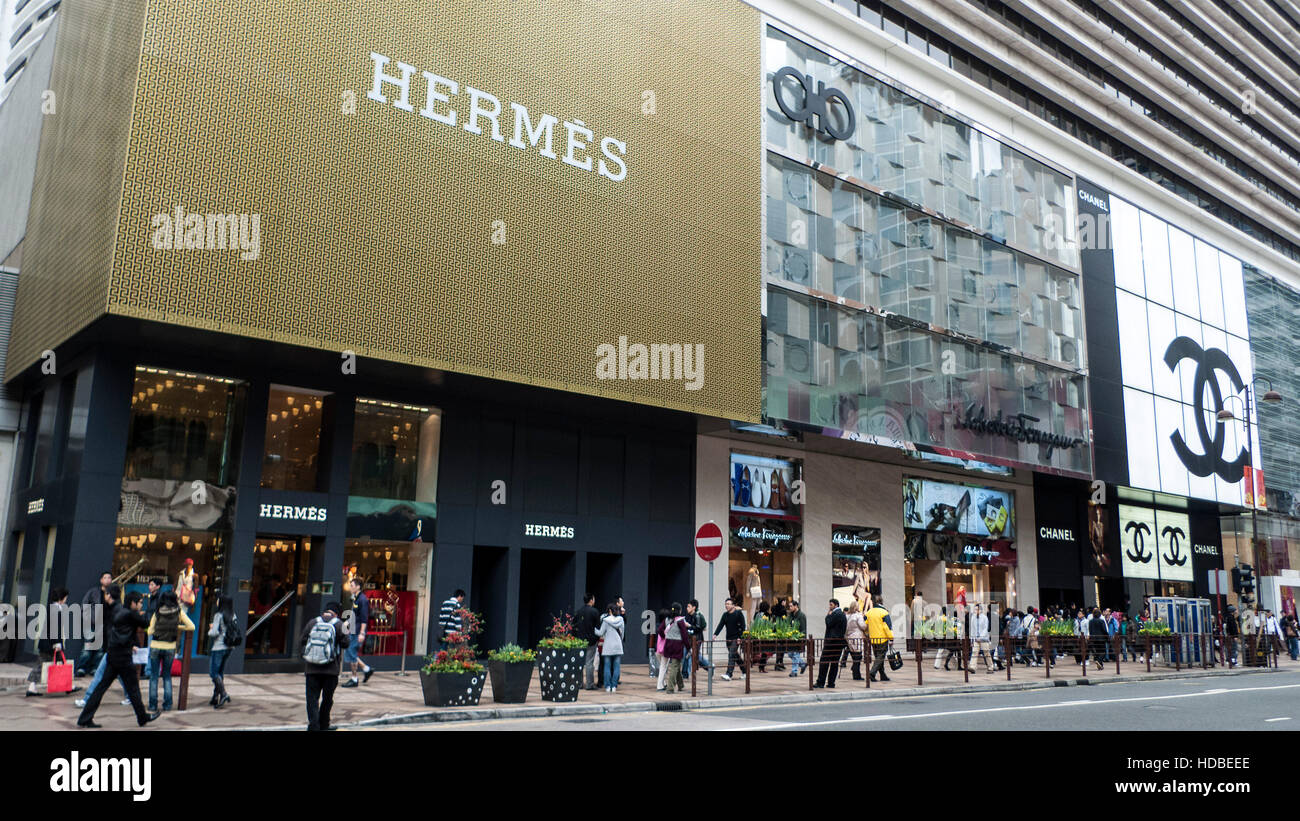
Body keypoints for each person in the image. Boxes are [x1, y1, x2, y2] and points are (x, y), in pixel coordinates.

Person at [76, 589, 159, 728]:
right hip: (124, 657)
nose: (140, 606)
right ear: (133, 603)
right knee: (133, 689)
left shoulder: (118, 611)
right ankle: (142, 717)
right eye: (139, 603)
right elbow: (146, 623)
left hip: (113, 654)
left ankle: (84, 718)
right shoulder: (131, 614)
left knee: (101, 687)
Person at [301, 601, 349, 731]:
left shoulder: (312, 622)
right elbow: (346, 643)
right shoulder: (339, 624)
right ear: (337, 613)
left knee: (312, 699)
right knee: (327, 700)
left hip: (311, 669)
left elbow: (303, 641)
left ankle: (314, 726)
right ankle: (324, 725)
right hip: (331, 670)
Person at [146, 590, 194, 712]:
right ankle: (167, 705)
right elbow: (191, 626)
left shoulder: (157, 612)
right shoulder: (179, 612)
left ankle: (152, 705)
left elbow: (150, 631)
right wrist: (178, 627)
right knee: (167, 676)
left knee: (154, 676)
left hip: (155, 646)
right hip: (170, 647)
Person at [26, 588, 76, 697]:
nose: (66, 599)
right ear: (61, 598)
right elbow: (54, 629)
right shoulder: (55, 609)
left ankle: (68, 686)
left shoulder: (53, 608)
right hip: (50, 644)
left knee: (55, 663)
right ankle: (68, 686)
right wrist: (57, 643)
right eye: (66, 597)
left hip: (47, 643)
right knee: (52, 663)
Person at [75, 571, 113, 676]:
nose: (107, 579)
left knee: (100, 649)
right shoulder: (93, 591)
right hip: (91, 623)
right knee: (87, 646)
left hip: (104, 624)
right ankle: (81, 668)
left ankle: (95, 668)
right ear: (101, 580)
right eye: (105, 577)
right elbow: (84, 605)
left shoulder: (112, 594)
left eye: (109, 578)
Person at [341, 577, 374, 688]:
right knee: (351, 653)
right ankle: (366, 669)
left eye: (352, 585)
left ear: (358, 587)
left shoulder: (363, 600)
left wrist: (362, 633)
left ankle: (355, 679)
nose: (350, 587)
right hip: (353, 629)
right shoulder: (355, 598)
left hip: (357, 631)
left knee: (351, 653)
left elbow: (364, 618)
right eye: (350, 585)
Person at [208, 596, 236, 708]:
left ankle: (223, 694)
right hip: (229, 647)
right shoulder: (233, 615)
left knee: (213, 673)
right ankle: (215, 697)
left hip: (218, 647)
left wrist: (210, 628)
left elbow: (214, 633)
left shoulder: (218, 615)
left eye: (218, 600)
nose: (217, 601)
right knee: (220, 673)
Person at [658, 603, 690, 693]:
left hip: (668, 644)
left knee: (677, 665)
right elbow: (684, 635)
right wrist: (688, 647)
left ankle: (681, 685)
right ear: (679, 610)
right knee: (675, 666)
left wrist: (665, 636)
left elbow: (660, 630)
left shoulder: (667, 619)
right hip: (677, 645)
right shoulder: (680, 621)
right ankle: (670, 688)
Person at [815, 599, 847, 689]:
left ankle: (820, 682)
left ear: (836, 605)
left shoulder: (836, 614)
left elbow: (828, 623)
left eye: (831, 605)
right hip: (838, 643)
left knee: (824, 662)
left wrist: (828, 615)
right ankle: (831, 683)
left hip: (832, 642)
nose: (829, 606)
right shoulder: (842, 614)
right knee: (834, 663)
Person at [714, 597, 746, 680]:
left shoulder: (738, 614)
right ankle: (745, 671)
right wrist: (715, 634)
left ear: (733, 605)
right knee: (735, 656)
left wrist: (740, 637)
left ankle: (729, 674)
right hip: (728, 638)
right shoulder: (725, 615)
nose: (726, 606)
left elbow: (743, 626)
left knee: (731, 654)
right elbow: (720, 625)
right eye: (726, 604)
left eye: (728, 604)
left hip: (736, 638)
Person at [595, 603, 625, 692]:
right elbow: (622, 634)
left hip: (608, 646)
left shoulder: (605, 620)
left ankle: (607, 686)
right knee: (616, 667)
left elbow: (600, 633)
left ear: (610, 611)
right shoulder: (621, 620)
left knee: (607, 666)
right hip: (618, 646)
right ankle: (614, 686)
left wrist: (593, 629)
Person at [575, 593, 601, 690]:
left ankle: (579, 684)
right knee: (589, 663)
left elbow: (574, 627)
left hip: (580, 641)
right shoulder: (594, 611)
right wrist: (596, 639)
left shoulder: (579, 611)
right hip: (591, 641)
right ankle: (590, 684)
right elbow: (598, 627)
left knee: (579, 663)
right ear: (591, 600)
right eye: (593, 599)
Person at [865, 598, 893, 682]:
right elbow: (887, 627)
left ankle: (883, 675)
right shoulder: (884, 612)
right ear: (882, 602)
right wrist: (891, 638)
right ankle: (872, 673)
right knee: (880, 657)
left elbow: (865, 625)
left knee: (878, 657)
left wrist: (867, 635)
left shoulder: (869, 612)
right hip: (882, 638)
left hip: (873, 639)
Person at [683, 599, 708, 678]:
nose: (687, 608)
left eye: (689, 606)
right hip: (689, 639)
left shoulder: (697, 616)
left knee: (692, 656)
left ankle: (709, 667)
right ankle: (685, 674)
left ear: (694, 607)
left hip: (696, 640)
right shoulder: (688, 616)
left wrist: (689, 626)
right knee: (686, 655)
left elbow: (698, 628)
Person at [843, 600, 866, 680]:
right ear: (856, 607)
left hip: (848, 637)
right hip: (857, 637)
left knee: (854, 656)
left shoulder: (847, 616)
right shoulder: (858, 616)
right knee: (858, 656)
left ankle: (855, 672)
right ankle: (856, 674)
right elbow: (863, 626)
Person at [786, 600, 807, 676]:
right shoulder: (790, 615)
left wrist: (801, 637)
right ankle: (802, 664)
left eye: (791, 606)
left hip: (798, 638)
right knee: (790, 654)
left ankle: (794, 671)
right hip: (791, 638)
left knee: (795, 654)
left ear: (796, 606)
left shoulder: (801, 615)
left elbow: (803, 628)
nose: (790, 608)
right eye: (789, 606)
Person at [972, 604, 993, 673]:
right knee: (974, 652)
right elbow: (972, 629)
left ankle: (990, 667)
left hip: (984, 639)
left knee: (986, 653)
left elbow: (985, 628)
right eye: (975, 609)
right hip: (976, 638)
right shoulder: (973, 617)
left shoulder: (984, 617)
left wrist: (980, 637)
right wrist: (972, 639)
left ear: (980, 610)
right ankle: (972, 667)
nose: (976, 611)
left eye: (977, 609)